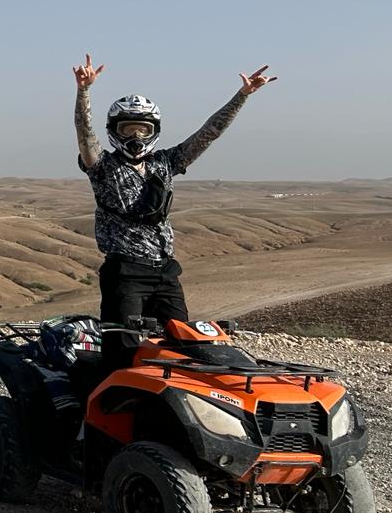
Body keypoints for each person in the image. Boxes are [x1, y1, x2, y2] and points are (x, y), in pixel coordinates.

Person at [71, 55, 278, 324]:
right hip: (124, 273)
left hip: (165, 271)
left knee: (181, 340)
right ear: (114, 130)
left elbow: (208, 134)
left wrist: (243, 95)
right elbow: (84, 133)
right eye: (129, 129)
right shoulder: (102, 166)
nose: (136, 137)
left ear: (154, 131)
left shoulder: (166, 162)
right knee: (122, 346)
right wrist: (84, 90)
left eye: (143, 130)